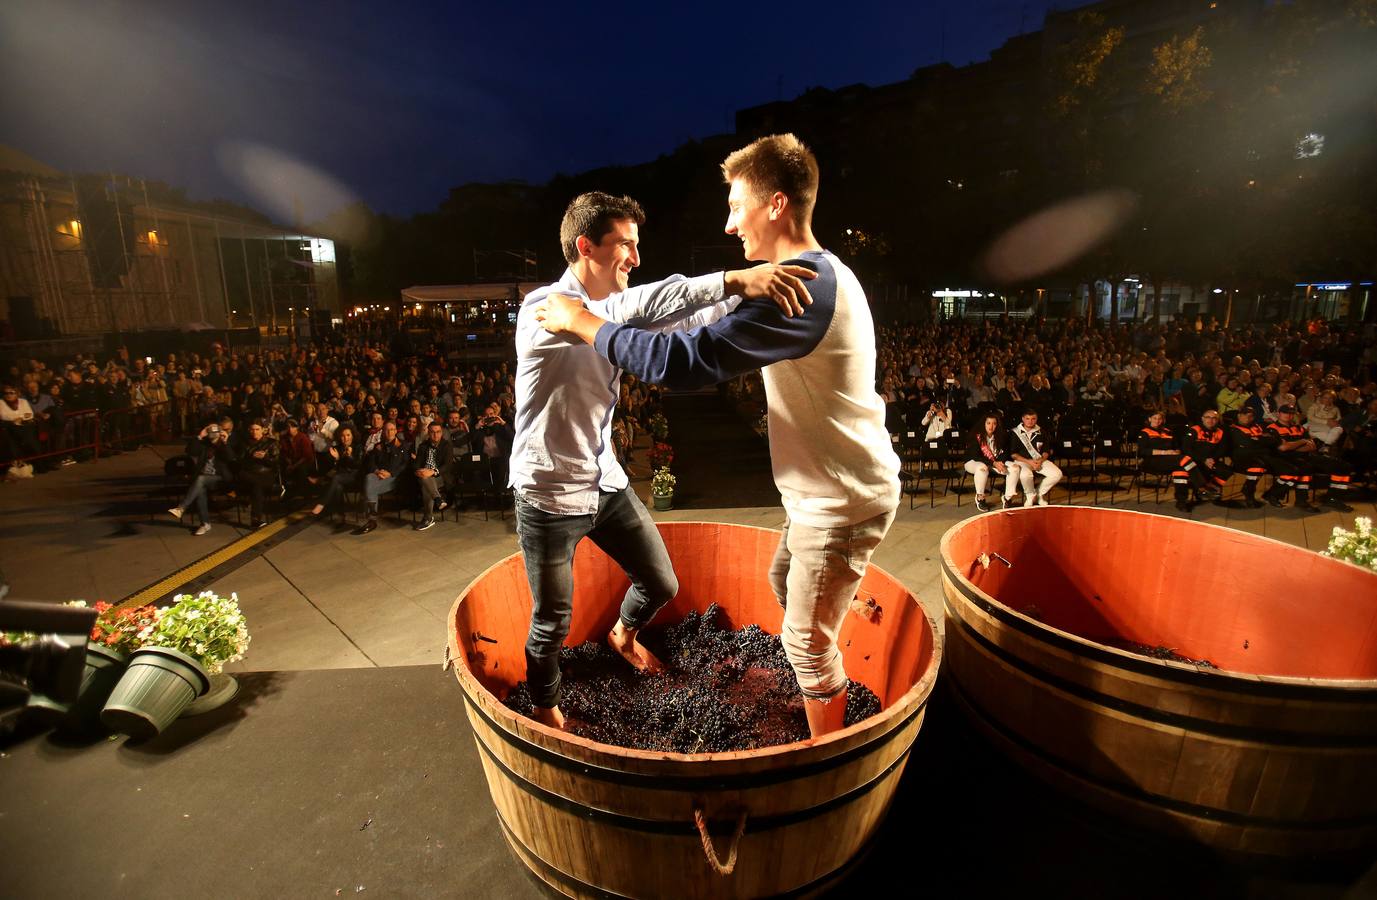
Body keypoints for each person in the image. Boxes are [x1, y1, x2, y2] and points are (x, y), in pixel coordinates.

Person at [534, 135, 899, 738]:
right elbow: (681, 312)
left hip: (842, 501)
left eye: (736, 206)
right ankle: (820, 662)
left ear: (776, 205)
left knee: (804, 645)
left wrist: (583, 321)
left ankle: (826, 752)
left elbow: (682, 363)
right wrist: (731, 281)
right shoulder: (815, 272)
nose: (729, 224)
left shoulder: (800, 292)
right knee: (783, 583)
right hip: (825, 491)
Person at [512, 189, 816, 731]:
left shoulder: (607, 311)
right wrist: (732, 279)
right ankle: (545, 706)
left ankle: (623, 634)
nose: (635, 257)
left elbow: (680, 321)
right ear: (585, 246)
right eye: (624, 245)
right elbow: (626, 310)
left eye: (636, 245)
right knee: (552, 621)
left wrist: (756, 294)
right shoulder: (545, 309)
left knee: (661, 585)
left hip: (602, 480)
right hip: (549, 493)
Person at [169, 422, 236, 534]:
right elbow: (190, 451)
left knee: (200, 480)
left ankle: (181, 508)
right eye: (211, 432)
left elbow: (231, 458)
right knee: (200, 489)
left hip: (220, 479)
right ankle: (205, 524)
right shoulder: (204, 444)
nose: (213, 435)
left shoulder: (224, 444)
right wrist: (199, 436)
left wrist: (225, 442)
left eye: (215, 432)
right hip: (203, 479)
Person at [356, 420, 410, 535]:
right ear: (383, 432)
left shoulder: (403, 445)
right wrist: (377, 471)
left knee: (370, 488)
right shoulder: (378, 446)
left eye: (391, 429)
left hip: (395, 478)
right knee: (369, 477)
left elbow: (404, 465)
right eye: (386, 430)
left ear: (395, 431)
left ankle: (372, 519)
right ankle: (372, 518)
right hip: (379, 476)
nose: (389, 432)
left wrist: (390, 473)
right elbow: (370, 463)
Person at [1180, 409, 1232, 509]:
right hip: (1195, 461)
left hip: (1211, 461)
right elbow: (1186, 449)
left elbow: (1222, 449)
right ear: (1202, 419)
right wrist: (1204, 459)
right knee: (1199, 471)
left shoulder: (1220, 432)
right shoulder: (1194, 430)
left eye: (1214, 418)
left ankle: (1209, 487)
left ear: (1218, 420)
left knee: (1227, 471)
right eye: (1208, 417)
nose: (1210, 420)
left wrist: (1212, 459)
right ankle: (1202, 489)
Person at [1008, 409, 1061, 506]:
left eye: (1033, 419)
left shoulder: (1042, 432)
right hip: (1022, 461)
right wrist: (1029, 462)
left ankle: (1039, 494)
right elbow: (1013, 454)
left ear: (1036, 419)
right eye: (1027, 419)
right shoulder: (1015, 432)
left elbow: (1046, 451)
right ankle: (1030, 496)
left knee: (1057, 474)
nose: (1030, 421)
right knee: (1025, 475)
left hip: (1038, 460)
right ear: (1023, 419)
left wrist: (1040, 461)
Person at [965, 413, 1017, 511]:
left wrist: (1000, 462)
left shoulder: (1001, 436)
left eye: (994, 424)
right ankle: (980, 498)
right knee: (982, 468)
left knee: (1015, 468)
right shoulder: (976, 436)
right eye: (988, 423)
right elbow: (976, 456)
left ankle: (1007, 498)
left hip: (994, 462)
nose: (991, 426)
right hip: (974, 462)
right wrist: (994, 463)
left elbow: (1005, 452)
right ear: (984, 424)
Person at [310, 425, 363, 516]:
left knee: (336, 478)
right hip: (341, 476)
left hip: (355, 477)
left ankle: (322, 504)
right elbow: (337, 467)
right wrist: (337, 459)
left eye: (348, 435)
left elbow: (358, 466)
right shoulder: (338, 448)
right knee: (338, 486)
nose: (345, 438)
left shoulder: (358, 447)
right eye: (342, 436)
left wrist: (350, 456)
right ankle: (340, 512)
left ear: (353, 436)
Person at [412, 420, 454, 531]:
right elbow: (416, 464)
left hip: (440, 476)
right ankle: (438, 499)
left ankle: (428, 518)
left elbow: (448, 465)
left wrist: (433, 471)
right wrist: (419, 471)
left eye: (438, 432)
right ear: (428, 433)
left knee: (427, 481)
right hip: (423, 475)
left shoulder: (447, 445)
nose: (435, 435)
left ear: (441, 433)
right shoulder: (423, 446)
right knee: (425, 478)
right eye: (432, 432)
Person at [238, 420, 280, 530]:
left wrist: (265, 458)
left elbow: (276, 462)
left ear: (262, 430)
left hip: (266, 474)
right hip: (249, 473)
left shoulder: (271, 442)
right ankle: (255, 519)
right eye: (252, 429)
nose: (254, 432)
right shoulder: (245, 443)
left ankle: (255, 519)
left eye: (257, 429)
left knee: (257, 486)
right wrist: (251, 456)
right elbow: (240, 461)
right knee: (255, 484)